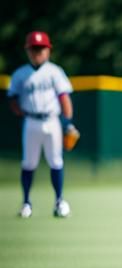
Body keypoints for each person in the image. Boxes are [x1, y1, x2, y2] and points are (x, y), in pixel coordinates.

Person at [7, 30, 75, 219]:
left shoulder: (55, 72)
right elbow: (12, 98)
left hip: (52, 121)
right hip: (31, 121)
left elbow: (64, 99)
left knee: (56, 161)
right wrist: (20, 112)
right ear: (28, 50)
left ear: (48, 50)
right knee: (29, 163)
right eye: (34, 48)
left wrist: (68, 123)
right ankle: (26, 203)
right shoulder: (20, 74)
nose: (37, 52)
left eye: (41, 48)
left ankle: (59, 201)